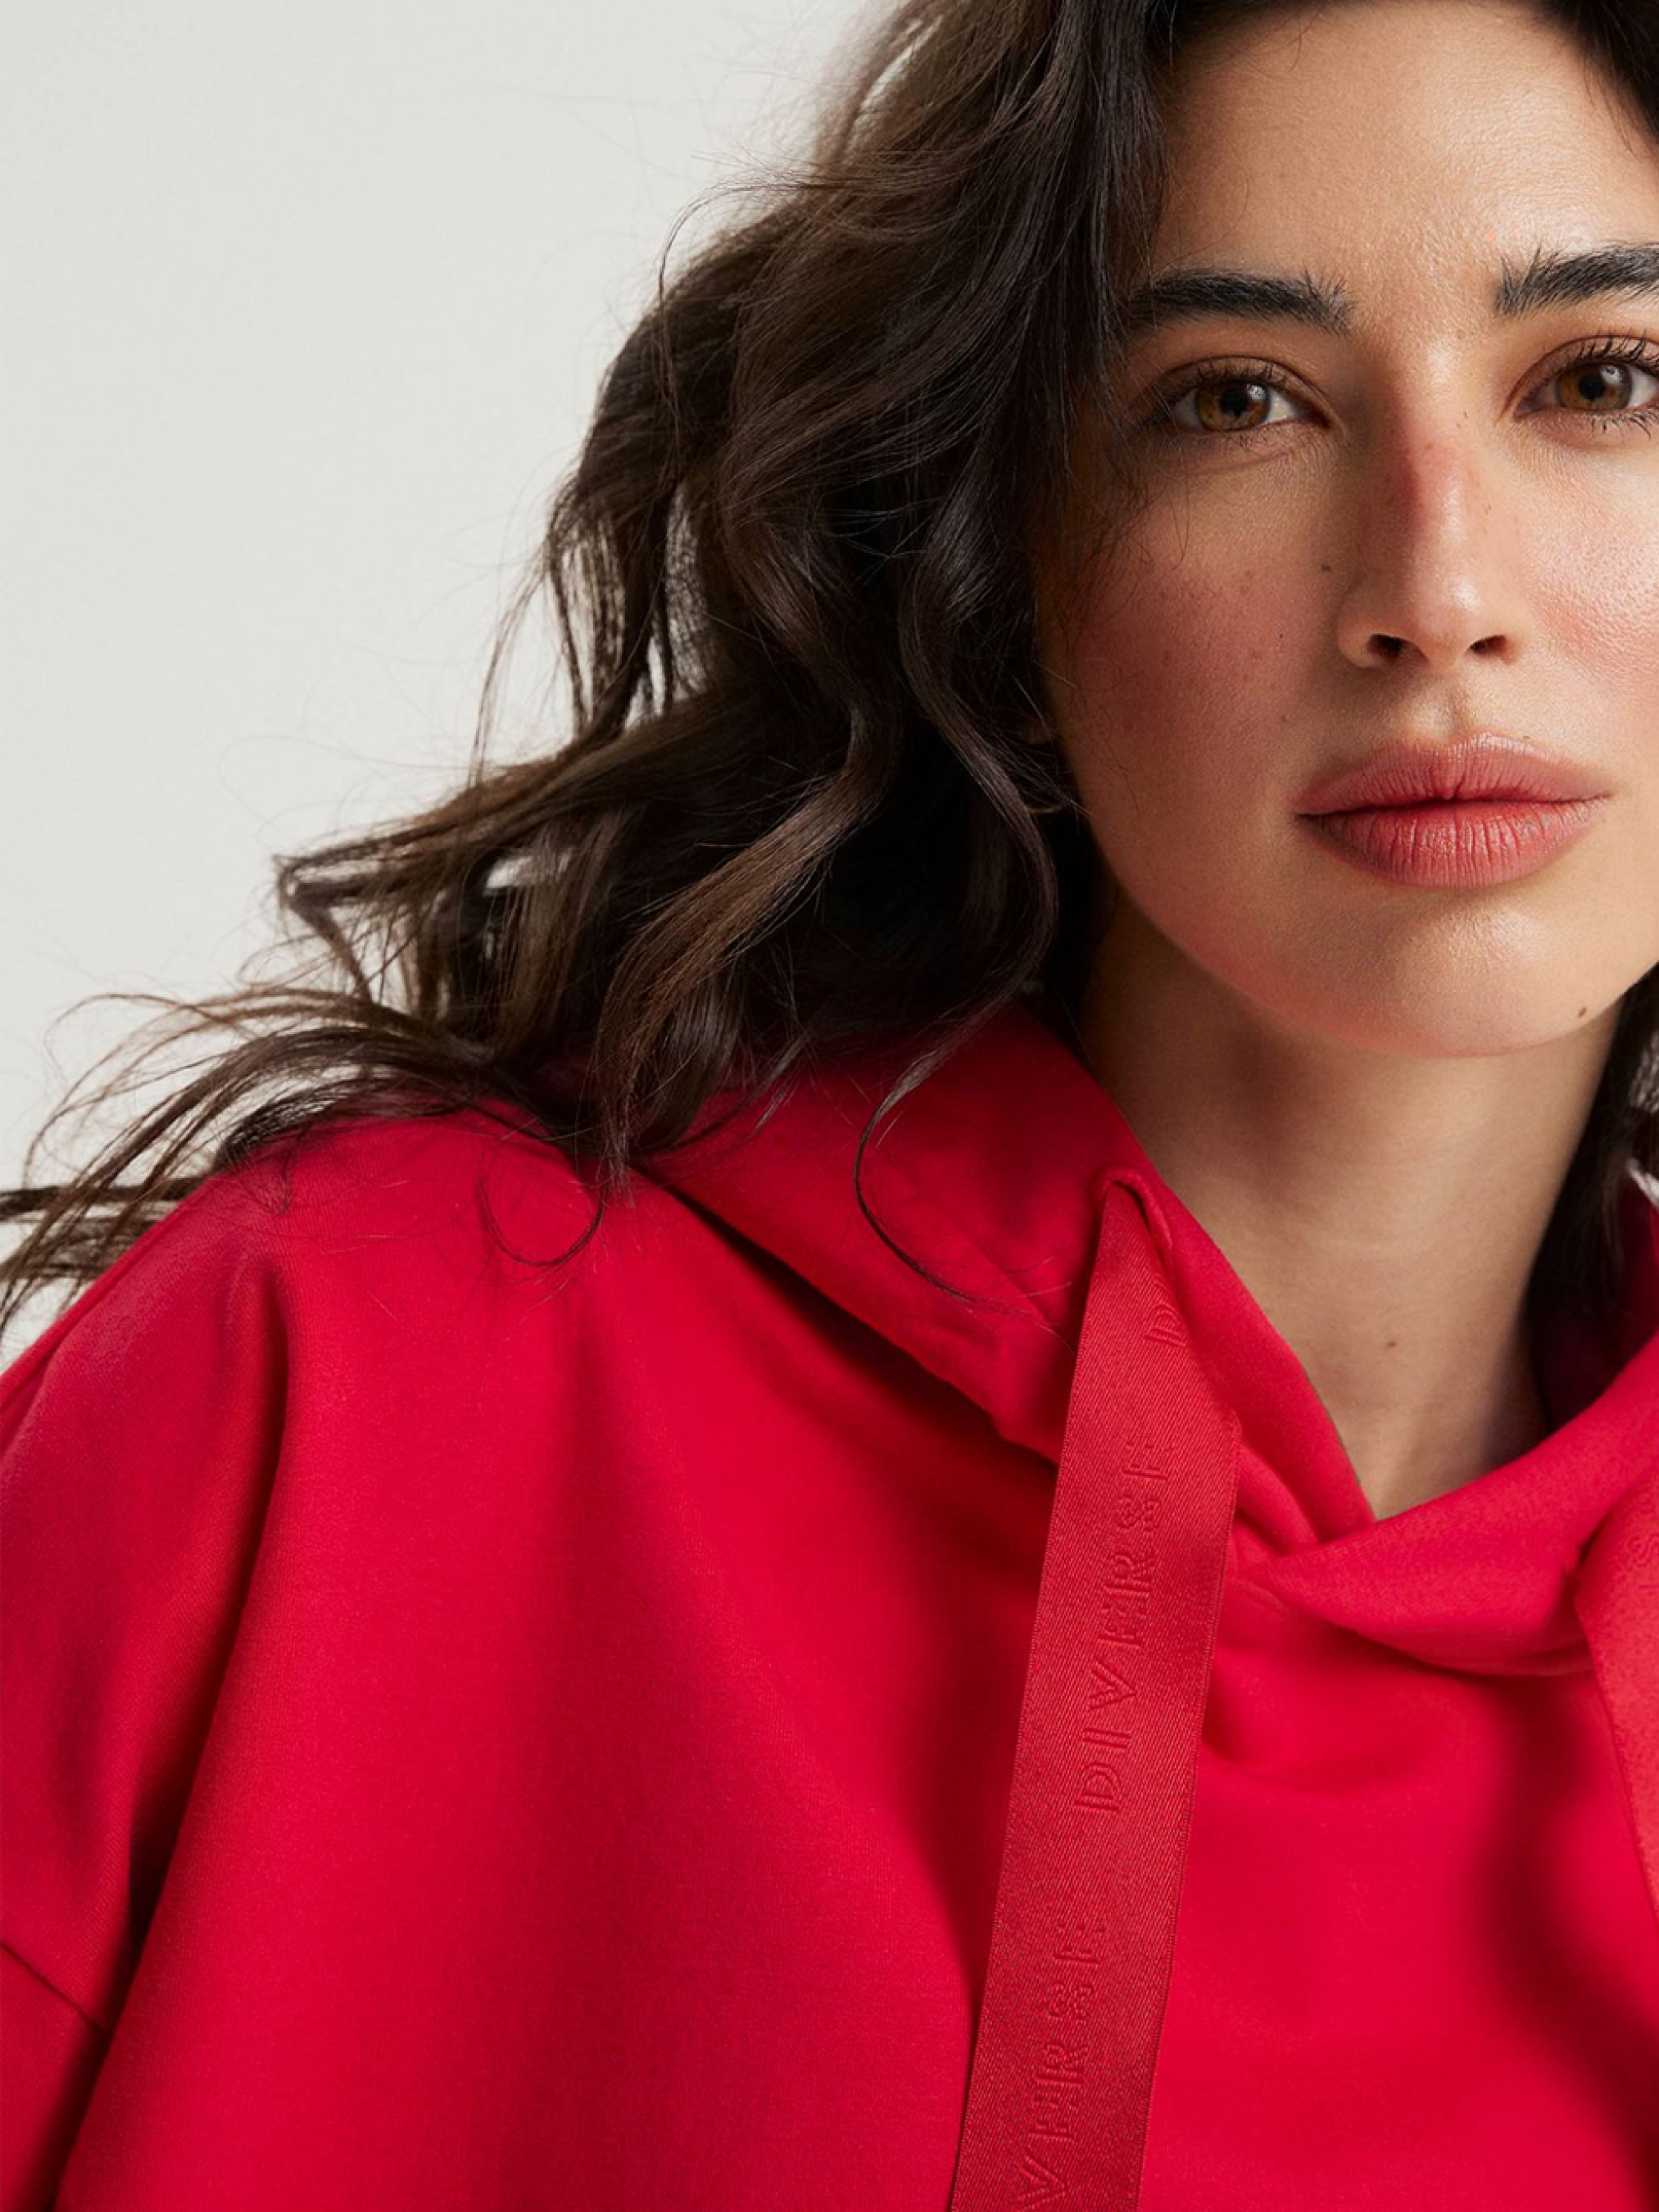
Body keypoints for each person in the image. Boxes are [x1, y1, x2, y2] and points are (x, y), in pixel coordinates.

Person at [3, 0, 1657, 2204]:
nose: (1435, 594)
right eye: (1233, 399)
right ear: (1002, 575)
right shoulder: (337, 1375)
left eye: (1604, 381)